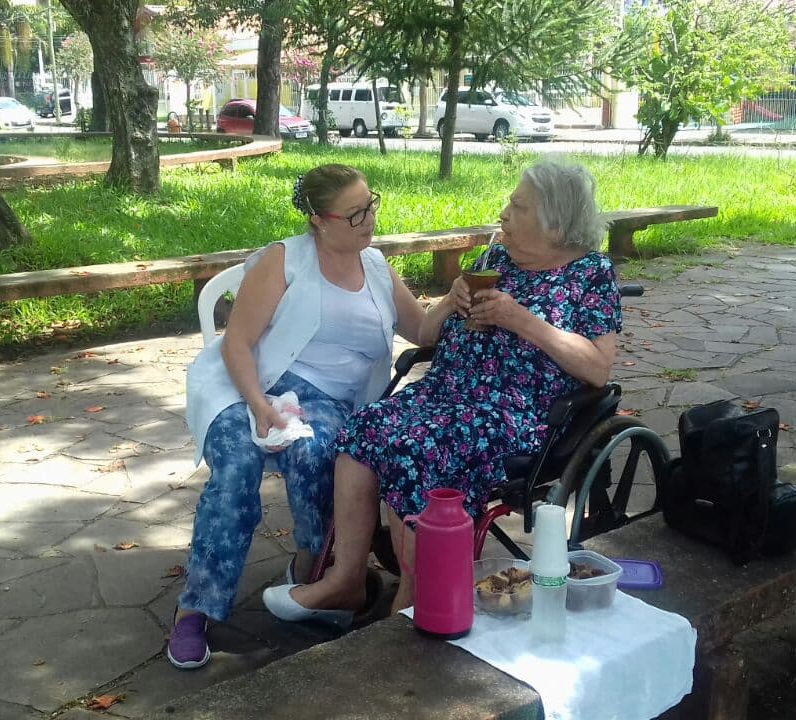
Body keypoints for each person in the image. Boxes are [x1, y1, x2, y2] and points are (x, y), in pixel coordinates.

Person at [263, 160, 622, 622]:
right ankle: (345, 580)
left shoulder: (589, 274)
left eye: (518, 206)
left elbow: (597, 367)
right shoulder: (495, 260)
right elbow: (432, 331)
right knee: (364, 430)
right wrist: (456, 302)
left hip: (512, 409)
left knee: (419, 449)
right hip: (444, 393)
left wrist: (521, 321)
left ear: (554, 221)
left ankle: (412, 600)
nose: (504, 214)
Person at [169, 163, 444, 669]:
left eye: (372, 204)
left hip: (331, 402)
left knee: (318, 449)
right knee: (236, 467)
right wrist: (260, 407)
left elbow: (423, 329)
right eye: (355, 213)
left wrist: (458, 298)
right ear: (319, 220)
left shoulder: (377, 267)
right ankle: (196, 609)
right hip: (252, 385)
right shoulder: (286, 260)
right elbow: (238, 343)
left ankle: (315, 574)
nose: (369, 219)